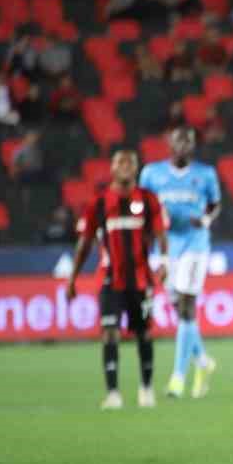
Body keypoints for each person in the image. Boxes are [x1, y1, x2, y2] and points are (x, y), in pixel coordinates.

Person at [66, 150, 168, 410]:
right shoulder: (98, 203)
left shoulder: (148, 200)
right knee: (110, 333)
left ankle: (146, 388)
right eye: (119, 162)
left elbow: (160, 234)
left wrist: (165, 263)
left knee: (144, 333)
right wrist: (72, 279)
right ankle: (113, 394)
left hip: (141, 280)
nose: (125, 166)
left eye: (129, 162)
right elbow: (84, 244)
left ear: (136, 169)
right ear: (111, 169)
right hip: (110, 281)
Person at [139, 127, 222, 400]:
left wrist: (207, 220)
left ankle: (178, 377)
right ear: (170, 144)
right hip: (166, 246)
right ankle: (203, 363)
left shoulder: (205, 174)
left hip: (195, 244)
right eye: (179, 142)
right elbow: (143, 206)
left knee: (187, 306)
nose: (184, 146)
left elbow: (214, 204)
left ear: (194, 146)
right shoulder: (152, 174)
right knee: (180, 309)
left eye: (189, 142)